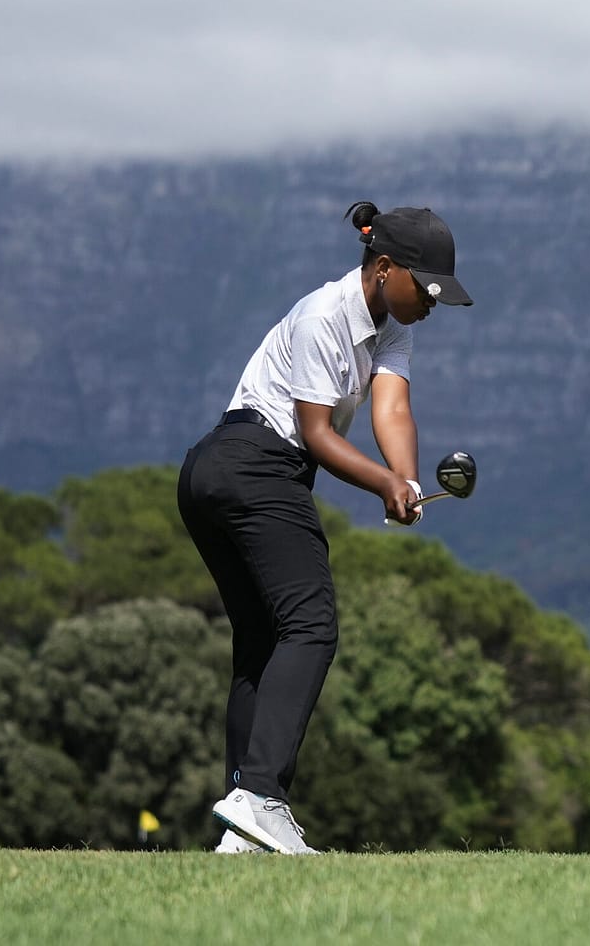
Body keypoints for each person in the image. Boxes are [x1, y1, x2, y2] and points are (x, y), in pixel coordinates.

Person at [177, 201, 473, 854]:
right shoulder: (322, 317)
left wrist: (407, 477)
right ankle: (261, 799)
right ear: (384, 267)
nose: (430, 304)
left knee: (262, 642)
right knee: (311, 625)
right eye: (425, 289)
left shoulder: (393, 325)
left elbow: (392, 408)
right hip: (250, 465)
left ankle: (243, 829)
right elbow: (315, 434)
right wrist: (383, 484)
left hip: (219, 475)